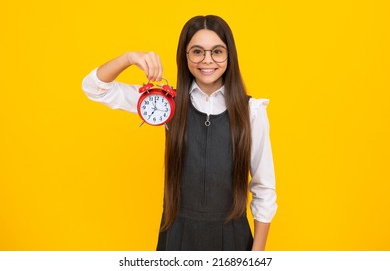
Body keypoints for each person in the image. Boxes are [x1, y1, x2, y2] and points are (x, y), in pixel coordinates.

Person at [82, 15, 277, 251]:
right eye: (197, 52)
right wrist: (129, 58)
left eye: (217, 51)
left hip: (233, 239)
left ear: (229, 55)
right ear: (185, 56)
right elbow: (95, 89)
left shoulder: (251, 111)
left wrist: (256, 258)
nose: (207, 60)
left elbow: (264, 188)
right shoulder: (166, 103)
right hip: (177, 236)